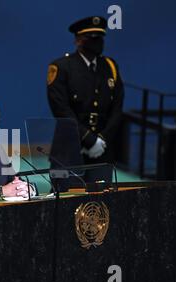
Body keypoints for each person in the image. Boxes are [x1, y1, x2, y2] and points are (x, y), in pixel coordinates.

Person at [46, 16, 124, 182]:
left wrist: (101, 140)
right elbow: (61, 108)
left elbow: (117, 108)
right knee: (67, 199)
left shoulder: (110, 67)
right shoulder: (62, 67)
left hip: (102, 151)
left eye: (100, 38)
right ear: (79, 40)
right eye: (93, 38)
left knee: (100, 203)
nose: (98, 43)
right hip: (69, 149)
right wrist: (88, 139)